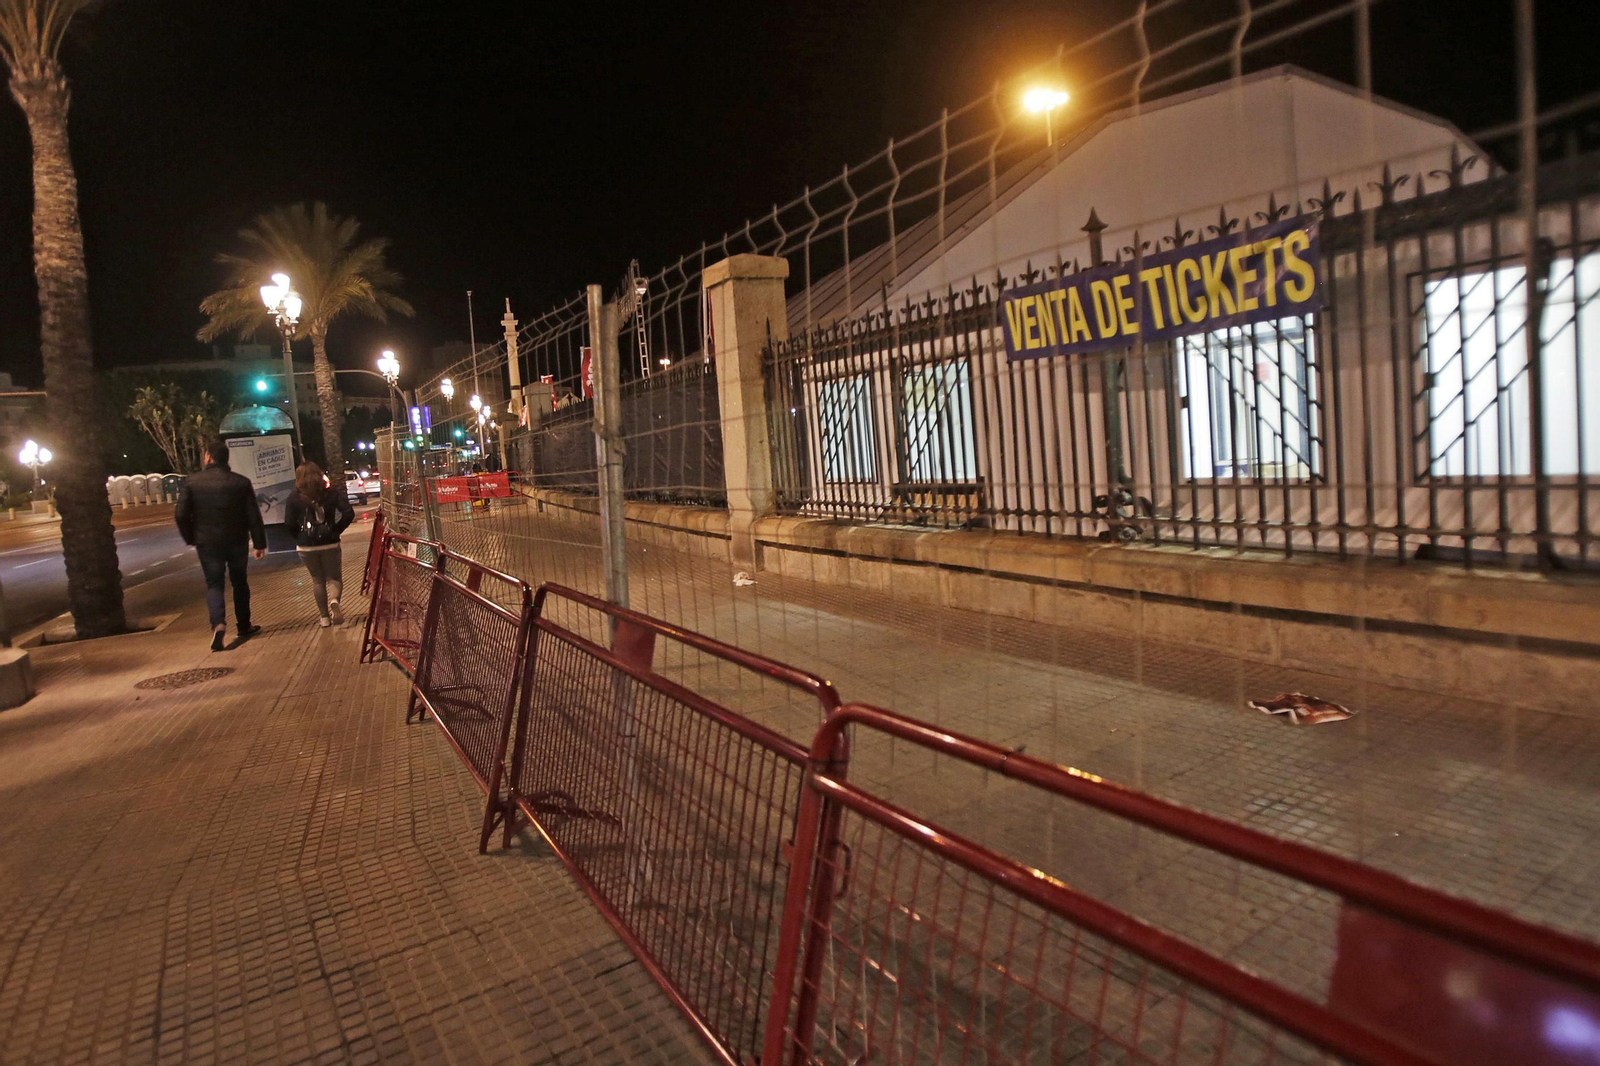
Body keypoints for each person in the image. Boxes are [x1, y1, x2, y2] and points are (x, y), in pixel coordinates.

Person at [175, 439, 266, 652]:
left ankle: (218, 624)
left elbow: (180, 514)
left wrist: (191, 536)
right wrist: (259, 543)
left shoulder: (192, 482)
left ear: (208, 457)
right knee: (239, 582)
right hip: (236, 540)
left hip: (207, 542)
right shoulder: (240, 482)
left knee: (214, 584)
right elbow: (253, 515)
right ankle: (244, 625)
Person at [283, 461, 355, 628]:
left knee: (317, 580)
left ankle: (324, 618)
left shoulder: (294, 496)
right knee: (335, 577)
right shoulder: (330, 493)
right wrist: (336, 530)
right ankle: (335, 600)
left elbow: (288, 523)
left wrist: (299, 537)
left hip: (306, 545)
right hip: (329, 542)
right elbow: (348, 513)